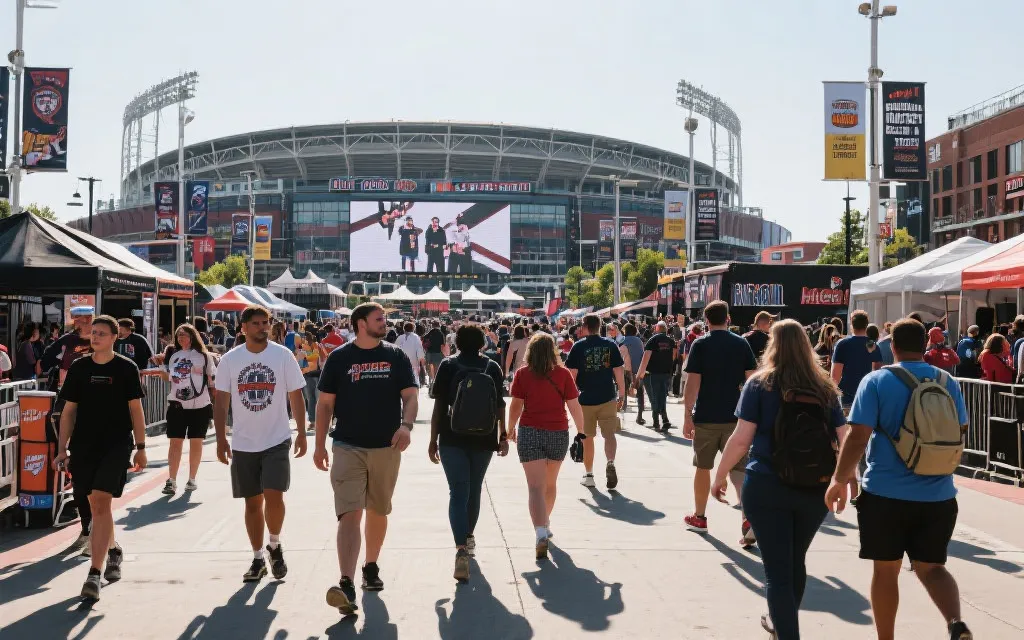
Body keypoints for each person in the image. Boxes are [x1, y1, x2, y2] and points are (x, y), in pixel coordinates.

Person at [824, 319, 973, 640]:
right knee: (933, 568)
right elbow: (960, 432)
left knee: (886, 570)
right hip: (939, 494)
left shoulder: (876, 381)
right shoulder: (948, 382)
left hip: (885, 494)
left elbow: (858, 436)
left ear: (892, 347)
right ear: (925, 346)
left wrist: (840, 478)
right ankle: (955, 623)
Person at [711, 319, 846, 637]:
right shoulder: (824, 387)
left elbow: (742, 438)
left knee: (777, 571)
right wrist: (844, 477)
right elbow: (844, 436)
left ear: (774, 345)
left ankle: (785, 630)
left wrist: (719, 476)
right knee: (794, 559)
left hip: (767, 484)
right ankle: (781, 621)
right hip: (814, 488)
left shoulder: (760, 384)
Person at [313, 302, 418, 615]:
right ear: (361, 323)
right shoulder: (339, 358)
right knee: (349, 512)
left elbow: (411, 397)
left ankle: (370, 566)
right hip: (347, 446)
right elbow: (324, 405)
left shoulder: (395, 355)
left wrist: (407, 426)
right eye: (378, 318)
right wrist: (319, 445)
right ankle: (346, 582)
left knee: (378, 509)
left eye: (384, 318)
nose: (384, 322)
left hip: (387, 447)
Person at [52, 315, 147, 601]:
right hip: (84, 446)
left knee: (101, 500)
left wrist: (141, 446)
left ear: (114, 337)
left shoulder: (126, 368)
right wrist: (61, 448)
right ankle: (113, 548)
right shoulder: (79, 368)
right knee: (95, 504)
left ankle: (94, 573)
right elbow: (68, 412)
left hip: (116, 444)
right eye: (93, 333)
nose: (95, 337)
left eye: (101, 333)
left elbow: (136, 409)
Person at [213, 305, 308, 583]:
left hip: (277, 439)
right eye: (255, 323)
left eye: (265, 322)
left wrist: (301, 431)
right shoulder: (231, 360)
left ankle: (275, 545)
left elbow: (296, 396)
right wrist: (220, 438)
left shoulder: (283, 355)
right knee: (252, 503)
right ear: (243, 327)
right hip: (243, 442)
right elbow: (221, 402)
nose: (262, 327)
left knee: (275, 495)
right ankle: (257, 558)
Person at [429, 324, 509, 580]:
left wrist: (433, 439)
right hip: (484, 437)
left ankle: (460, 548)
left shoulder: (448, 365)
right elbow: (499, 404)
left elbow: (439, 406)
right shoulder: (492, 367)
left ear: (456, 343)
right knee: (474, 490)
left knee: (458, 491)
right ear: (483, 343)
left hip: (452, 437)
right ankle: (469, 537)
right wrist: (503, 435)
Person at [682, 301, 757, 540]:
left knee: (703, 466)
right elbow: (752, 380)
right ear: (728, 318)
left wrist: (687, 415)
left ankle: (700, 517)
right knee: (738, 468)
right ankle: (747, 517)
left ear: (706, 320)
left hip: (706, 416)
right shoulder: (741, 343)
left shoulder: (700, 344)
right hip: (735, 417)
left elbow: (693, 382)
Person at [508, 332, 585, 560]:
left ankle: (540, 531)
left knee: (534, 487)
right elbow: (574, 405)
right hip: (557, 432)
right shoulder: (562, 374)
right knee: (550, 483)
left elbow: (516, 405)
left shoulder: (523, 374)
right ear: (554, 351)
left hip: (530, 432)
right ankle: (546, 522)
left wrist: (510, 428)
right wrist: (582, 432)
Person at [146, 324, 216, 495]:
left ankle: (192, 478)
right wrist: (158, 370)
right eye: (178, 336)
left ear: (192, 336)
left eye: (184, 335)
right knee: (175, 442)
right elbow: (169, 378)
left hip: (200, 405)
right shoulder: (174, 356)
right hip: (177, 404)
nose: (181, 338)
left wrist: (215, 406)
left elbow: (212, 381)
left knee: (196, 442)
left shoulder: (204, 357)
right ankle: (172, 479)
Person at [564, 314, 625, 490]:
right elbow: (618, 371)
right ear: (600, 326)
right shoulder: (610, 345)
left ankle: (589, 474)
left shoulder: (578, 346)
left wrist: (567, 399)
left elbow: (572, 376)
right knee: (609, 434)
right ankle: (610, 462)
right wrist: (621, 394)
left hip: (585, 399)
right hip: (607, 396)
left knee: (587, 437)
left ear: (584, 327)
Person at [831, 310, 883, 412]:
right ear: (866, 325)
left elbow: (835, 376)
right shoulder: (872, 345)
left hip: (846, 397)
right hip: (867, 397)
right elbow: (878, 374)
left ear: (851, 324)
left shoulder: (842, 344)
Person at [634, 321, 677, 432]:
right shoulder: (671, 341)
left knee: (654, 397)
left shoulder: (652, 340)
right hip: (666, 373)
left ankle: (656, 422)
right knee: (662, 396)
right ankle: (665, 419)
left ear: (656, 329)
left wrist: (639, 375)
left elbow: (645, 358)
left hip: (652, 373)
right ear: (666, 329)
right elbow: (673, 356)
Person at [620, 323, 647, 425]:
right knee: (640, 392)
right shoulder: (639, 341)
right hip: (637, 369)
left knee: (623, 390)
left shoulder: (622, 340)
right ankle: (639, 416)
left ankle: (623, 410)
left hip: (625, 369)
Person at [296, 330, 322, 431]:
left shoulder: (316, 346)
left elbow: (314, 362)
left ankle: (318, 422)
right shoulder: (302, 349)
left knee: (315, 399)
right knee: (311, 399)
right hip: (309, 375)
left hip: (316, 375)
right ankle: (313, 422)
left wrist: (303, 356)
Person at [395, 321, 426, 386]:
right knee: (414, 381)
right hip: (413, 363)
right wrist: (422, 364)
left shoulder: (399, 337)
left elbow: (395, 351)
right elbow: (419, 351)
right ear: (413, 329)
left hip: (401, 363)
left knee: (402, 381)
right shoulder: (416, 337)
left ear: (404, 329)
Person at [424, 321, 446, 387]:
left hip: (429, 352)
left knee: (429, 367)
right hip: (438, 353)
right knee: (436, 368)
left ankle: (430, 381)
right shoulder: (441, 333)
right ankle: (435, 381)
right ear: (438, 325)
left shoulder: (430, 332)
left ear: (433, 325)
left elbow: (424, 338)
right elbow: (443, 344)